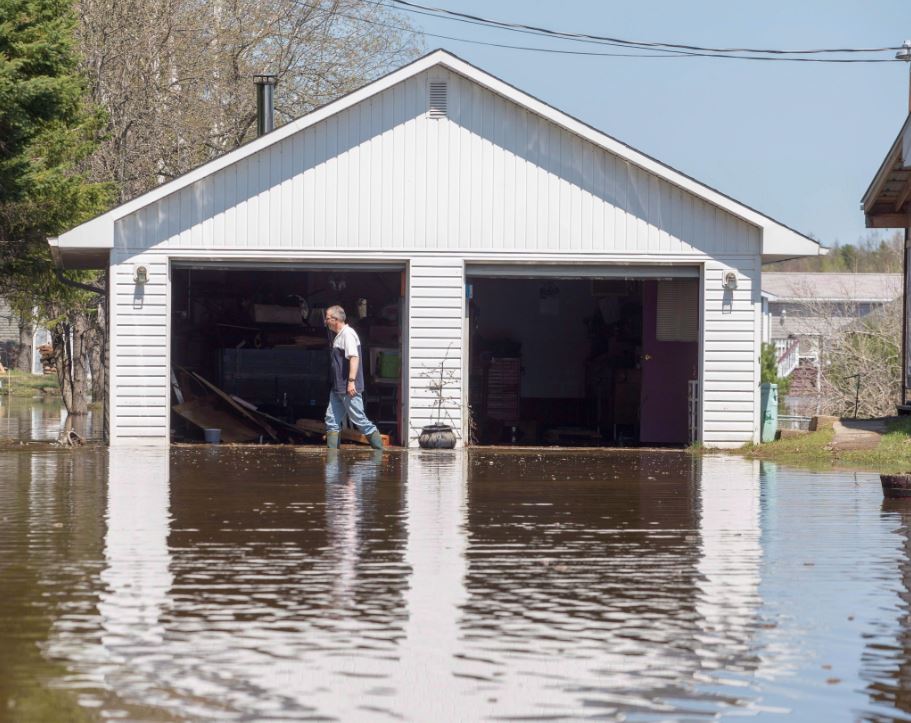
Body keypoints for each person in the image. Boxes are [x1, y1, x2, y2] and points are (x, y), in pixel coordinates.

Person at [324, 305, 383, 450]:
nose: (325, 321)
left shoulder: (348, 334)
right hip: (338, 388)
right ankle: (332, 459)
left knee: (359, 420)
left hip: (348, 387)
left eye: (327, 318)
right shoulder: (339, 335)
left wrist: (351, 382)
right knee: (331, 419)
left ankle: (379, 452)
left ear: (336, 319)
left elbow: (354, 358)